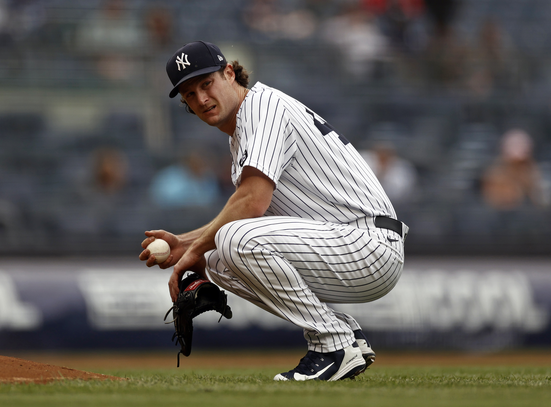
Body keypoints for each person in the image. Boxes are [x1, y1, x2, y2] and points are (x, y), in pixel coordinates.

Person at [138, 41, 408, 382]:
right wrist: (184, 244)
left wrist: (194, 247)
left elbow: (252, 203)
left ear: (229, 73)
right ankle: (344, 335)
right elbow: (247, 209)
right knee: (218, 259)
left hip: (367, 244)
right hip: (343, 241)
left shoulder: (262, 108)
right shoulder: (242, 132)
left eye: (206, 84)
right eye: (190, 94)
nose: (202, 99)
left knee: (232, 239)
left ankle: (333, 345)